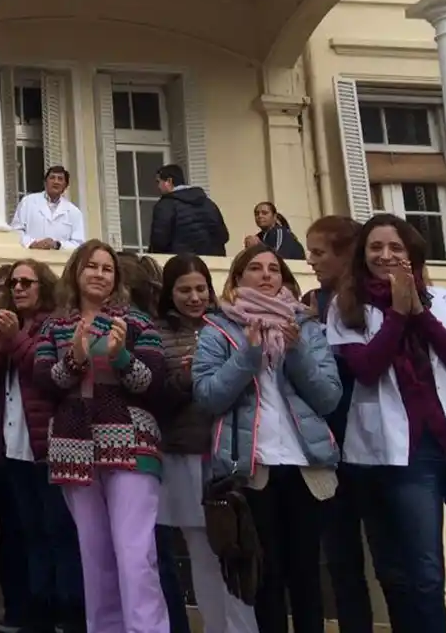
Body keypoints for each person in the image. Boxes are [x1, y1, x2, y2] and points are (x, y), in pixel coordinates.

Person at [194, 244, 341, 633]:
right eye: (255, 268)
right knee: (266, 577)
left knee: (307, 576)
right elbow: (207, 395)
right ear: (238, 278)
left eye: (273, 268)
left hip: (304, 465)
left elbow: (329, 398)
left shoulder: (307, 327)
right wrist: (247, 355)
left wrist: (296, 354)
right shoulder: (217, 327)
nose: (266, 275)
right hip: (252, 468)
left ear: (283, 278)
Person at [33, 239, 168, 633]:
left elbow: (153, 382)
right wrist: (75, 356)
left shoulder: (138, 322)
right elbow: (47, 383)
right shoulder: (54, 326)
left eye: (107, 268)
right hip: (74, 448)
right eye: (92, 266)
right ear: (76, 271)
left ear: (117, 278)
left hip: (132, 445)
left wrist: (122, 355)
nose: (99, 274)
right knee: (95, 558)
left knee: (135, 554)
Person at [327, 214, 446, 633]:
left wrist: (421, 314)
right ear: (363, 256)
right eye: (375, 248)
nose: (386, 256)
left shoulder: (445, 301)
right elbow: (365, 368)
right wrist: (398, 316)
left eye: (395, 248)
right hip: (409, 458)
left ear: (412, 254)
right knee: (425, 573)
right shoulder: (348, 308)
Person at [0, 259, 82, 633]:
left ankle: (67, 615)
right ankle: (36, 615)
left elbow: (51, 374)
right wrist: (2, 345)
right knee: (29, 535)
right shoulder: (1, 329)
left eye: (27, 282)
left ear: (43, 287)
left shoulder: (56, 325)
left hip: (49, 447)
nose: (18, 288)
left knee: (59, 534)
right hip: (13, 449)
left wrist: (16, 339)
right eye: (14, 283)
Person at [154, 255, 257, 633]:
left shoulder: (228, 326)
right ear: (170, 292)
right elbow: (153, 396)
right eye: (184, 290)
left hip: (228, 454)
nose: (194, 297)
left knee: (236, 551)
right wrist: (184, 377)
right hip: (184, 453)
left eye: (201, 288)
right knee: (200, 551)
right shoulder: (157, 331)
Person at [302, 215, 372, 633]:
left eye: (318, 252)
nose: (310, 260)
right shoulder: (313, 301)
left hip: (376, 444)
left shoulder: (369, 302)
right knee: (342, 561)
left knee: (395, 560)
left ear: (346, 253)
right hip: (331, 447)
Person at [147, 164, 228, 257]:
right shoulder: (208, 203)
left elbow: (159, 243)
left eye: (159, 182)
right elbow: (224, 236)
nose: (158, 186)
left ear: (169, 181)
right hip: (211, 265)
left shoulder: (165, 205)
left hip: (181, 265)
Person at [10, 166, 85, 251]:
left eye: (60, 179)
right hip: (31, 256)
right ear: (45, 182)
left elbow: (78, 243)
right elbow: (16, 231)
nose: (56, 182)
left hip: (59, 261)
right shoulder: (28, 202)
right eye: (52, 178)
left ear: (66, 186)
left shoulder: (74, 212)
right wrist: (32, 243)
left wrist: (57, 244)